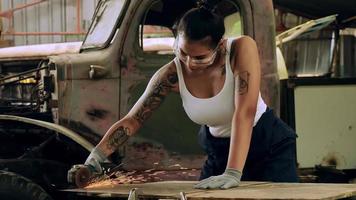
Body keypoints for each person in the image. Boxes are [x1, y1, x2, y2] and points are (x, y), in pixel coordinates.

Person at [77, 0, 298, 189]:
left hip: (267, 147)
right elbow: (133, 121)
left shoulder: (240, 49)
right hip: (219, 151)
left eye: (200, 57)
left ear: (219, 46)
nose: (189, 63)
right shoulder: (171, 75)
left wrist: (232, 173)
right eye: (182, 52)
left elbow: (245, 112)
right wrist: (95, 158)